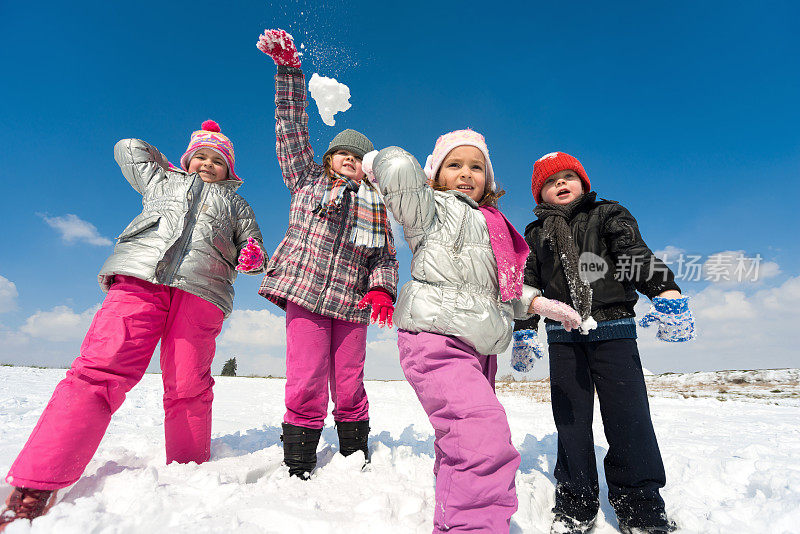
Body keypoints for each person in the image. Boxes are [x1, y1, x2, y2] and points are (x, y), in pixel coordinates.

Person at [0, 121, 267, 529]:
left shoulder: (238, 205)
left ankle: (188, 468)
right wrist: (175, 163)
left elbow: (254, 244)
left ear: (230, 172)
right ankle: (36, 483)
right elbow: (128, 147)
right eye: (201, 157)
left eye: (218, 161)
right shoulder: (161, 180)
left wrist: (252, 254)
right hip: (142, 276)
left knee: (188, 384)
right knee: (98, 370)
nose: (208, 165)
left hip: (203, 290)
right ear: (187, 159)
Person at [367, 130, 582, 533]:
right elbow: (400, 175)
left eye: (476, 167)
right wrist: (377, 161)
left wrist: (538, 304)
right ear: (434, 172)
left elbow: (508, 288)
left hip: (481, 347)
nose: (466, 173)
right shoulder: (429, 209)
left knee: (462, 445)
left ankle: (456, 522)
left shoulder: (494, 225)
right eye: (454, 164)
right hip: (437, 338)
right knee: (484, 441)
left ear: (489, 177)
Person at [512, 151, 695, 534]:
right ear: (539, 194)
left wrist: (663, 289)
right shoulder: (534, 233)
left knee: (628, 418)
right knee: (572, 421)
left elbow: (634, 255)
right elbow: (527, 285)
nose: (560, 184)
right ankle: (577, 502)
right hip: (563, 335)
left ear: (583, 182)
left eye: (568, 177)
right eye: (550, 181)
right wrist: (525, 329)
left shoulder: (607, 214)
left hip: (613, 329)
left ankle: (640, 506)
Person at [255, 29, 398, 479]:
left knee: (350, 379)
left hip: (352, 303)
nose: (350, 160)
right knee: (306, 376)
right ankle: (299, 451)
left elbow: (385, 258)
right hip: (306, 293)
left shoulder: (374, 205)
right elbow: (291, 131)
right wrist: (288, 73)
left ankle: (354, 449)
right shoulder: (307, 181)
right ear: (329, 157)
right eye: (342, 154)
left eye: (358, 158)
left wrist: (382, 292)